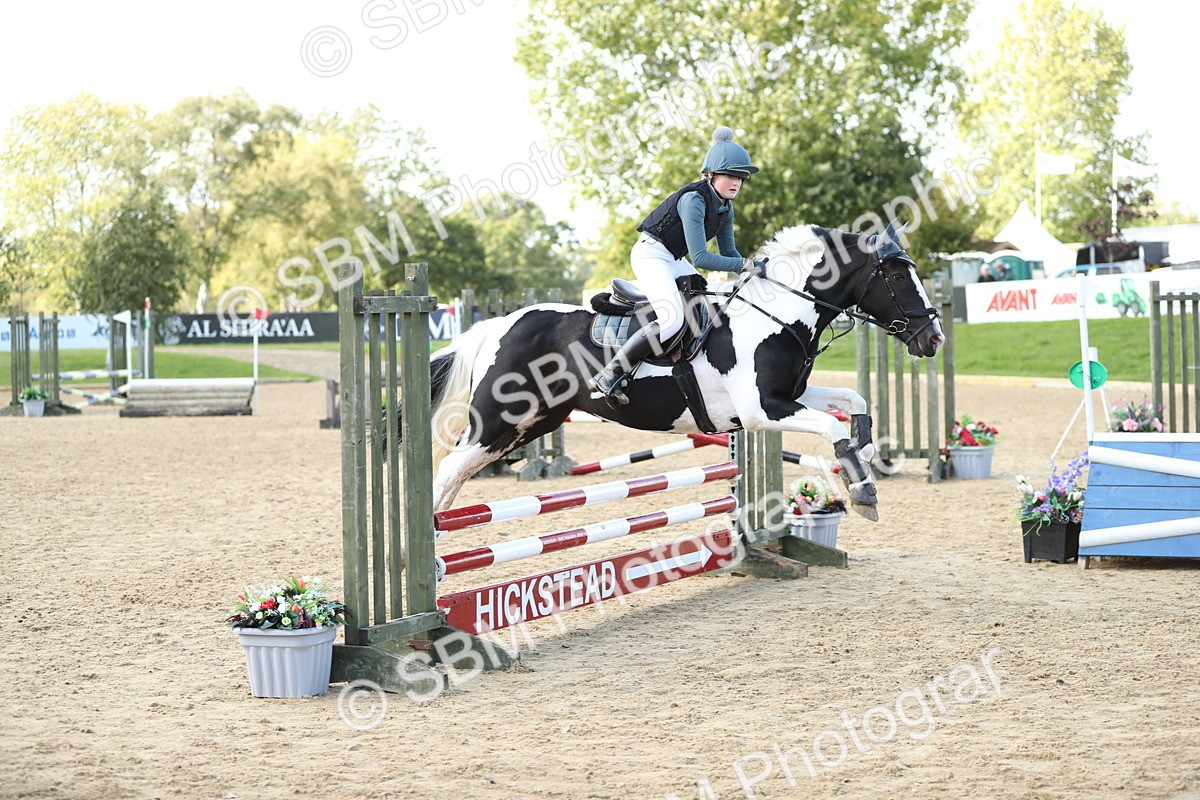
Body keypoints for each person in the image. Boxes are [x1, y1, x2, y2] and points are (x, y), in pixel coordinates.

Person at [589, 126, 767, 407]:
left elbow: (729, 253)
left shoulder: (725, 207)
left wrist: (753, 272)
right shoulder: (694, 200)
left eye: (741, 178)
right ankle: (611, 373)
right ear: (711, 175)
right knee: (672, 319)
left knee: (707, 302)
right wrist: (746, 264)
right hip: (651, 256)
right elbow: (702, 258)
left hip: (673, 259)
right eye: (731, 176)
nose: (737, 183)